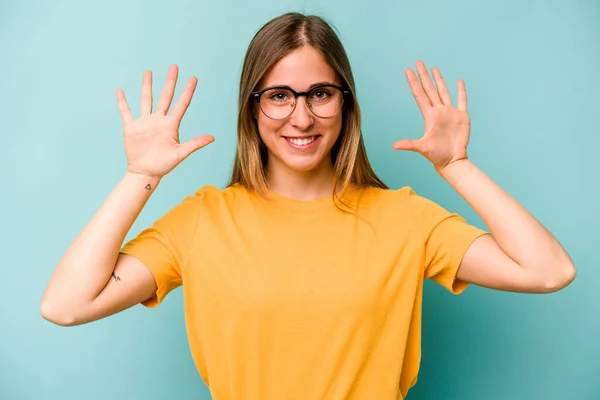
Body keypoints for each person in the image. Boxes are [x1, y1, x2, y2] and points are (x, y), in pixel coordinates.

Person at [40, 12, 576, 400]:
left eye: (320, 93)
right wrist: (140, 176)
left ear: (346, 102)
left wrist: (457, 166)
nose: (301, 118)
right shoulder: (203, 221)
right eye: (278, 95)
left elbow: (549, 271)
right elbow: (65, 306)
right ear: (252, 108)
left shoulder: (406, 218)